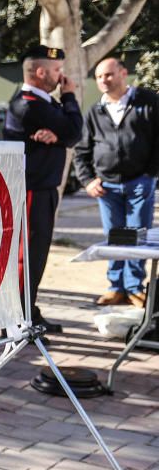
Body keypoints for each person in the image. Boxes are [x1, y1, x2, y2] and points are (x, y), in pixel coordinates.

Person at [3, 45, 83, 333]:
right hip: (32, 190)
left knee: (37, 256)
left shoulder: (43, 102)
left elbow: (69, 135)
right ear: (40, 72)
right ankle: (16, 321)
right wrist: (71, 96)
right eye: (57, 71)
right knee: (27, 257)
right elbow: (75, 130)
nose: (63, 77)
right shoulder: (29, 104)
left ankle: (29, 311)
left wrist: (59, 137)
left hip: (43, 188)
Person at [74, 57, 159, 307]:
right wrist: (88, 180)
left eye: (108, 75)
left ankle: (134, 286)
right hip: (106, 186)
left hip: (139, 184)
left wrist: (150, 174)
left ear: (123, 73)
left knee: (136, 236)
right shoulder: (94, 111)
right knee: (114, 236)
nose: (103, 80)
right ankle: (116, 287)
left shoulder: (148, 102)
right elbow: (81, 151)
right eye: (99, 77)